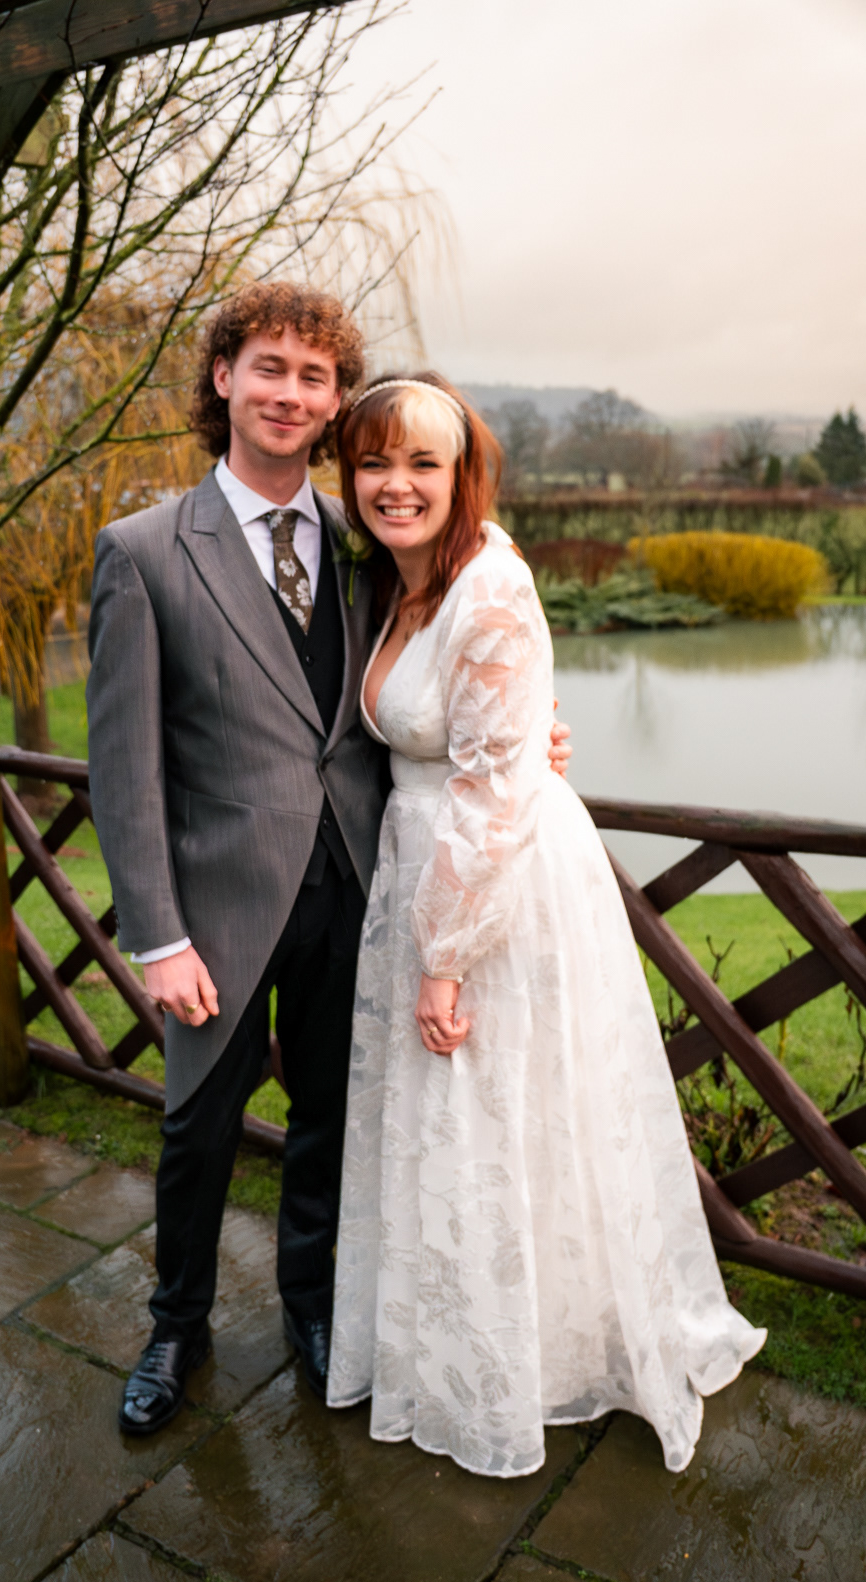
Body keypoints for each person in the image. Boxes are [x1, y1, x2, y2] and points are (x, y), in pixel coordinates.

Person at [86, 286, 571, 1438]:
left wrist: (532, 730)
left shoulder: (369, 544)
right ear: (224, 378)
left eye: (315, 377)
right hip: (216, 907)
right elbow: (123, 765)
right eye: (270, 368)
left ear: (336, 401)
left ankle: (313, 1309)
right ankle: (176, 1327)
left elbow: (458, 662)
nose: (290, 394)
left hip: (358, 891)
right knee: (198, 1128)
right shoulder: (144, 553)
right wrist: (158, 935)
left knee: (330, 1122)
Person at [325, 373, 766, 1478]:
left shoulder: (490, 583)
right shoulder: (394, 580)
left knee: (502, 1104)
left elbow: (489, 795)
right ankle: (454, 1344)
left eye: (423, 463)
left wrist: (444, 959)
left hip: (494, 885)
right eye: (375, 462)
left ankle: (530, 1358)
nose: (396, 484)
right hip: (424, 863)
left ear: (463, 474)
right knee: (455, 1125)